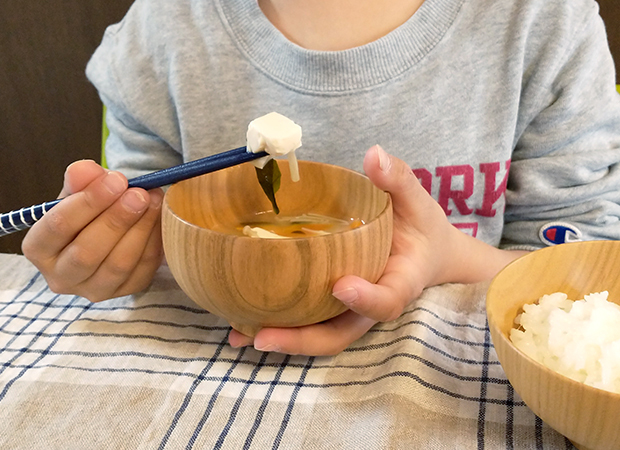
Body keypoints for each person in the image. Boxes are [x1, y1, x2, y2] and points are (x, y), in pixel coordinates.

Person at [22, 0, 620, 355]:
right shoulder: (160, 32)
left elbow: (597, 276)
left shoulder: (545, 23)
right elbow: (139, 222)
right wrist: (110, 254)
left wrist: (450, 258)